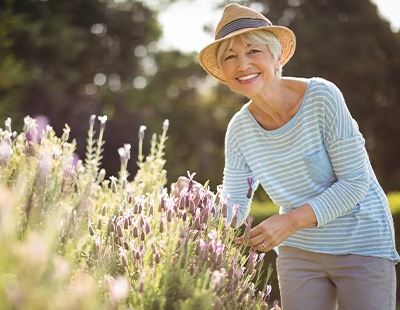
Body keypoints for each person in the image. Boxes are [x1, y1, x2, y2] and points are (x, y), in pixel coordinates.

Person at [172, 3, 399, 309]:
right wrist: (198, 203)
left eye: (254, 51)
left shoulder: (322, 97)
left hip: (360, 242)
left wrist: (289, 222)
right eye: (230, 57)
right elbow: (235, 206)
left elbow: (355, 183)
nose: (242, 65)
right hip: (299, 252)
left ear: (277, 56)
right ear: (223, 73)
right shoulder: (239, 130)